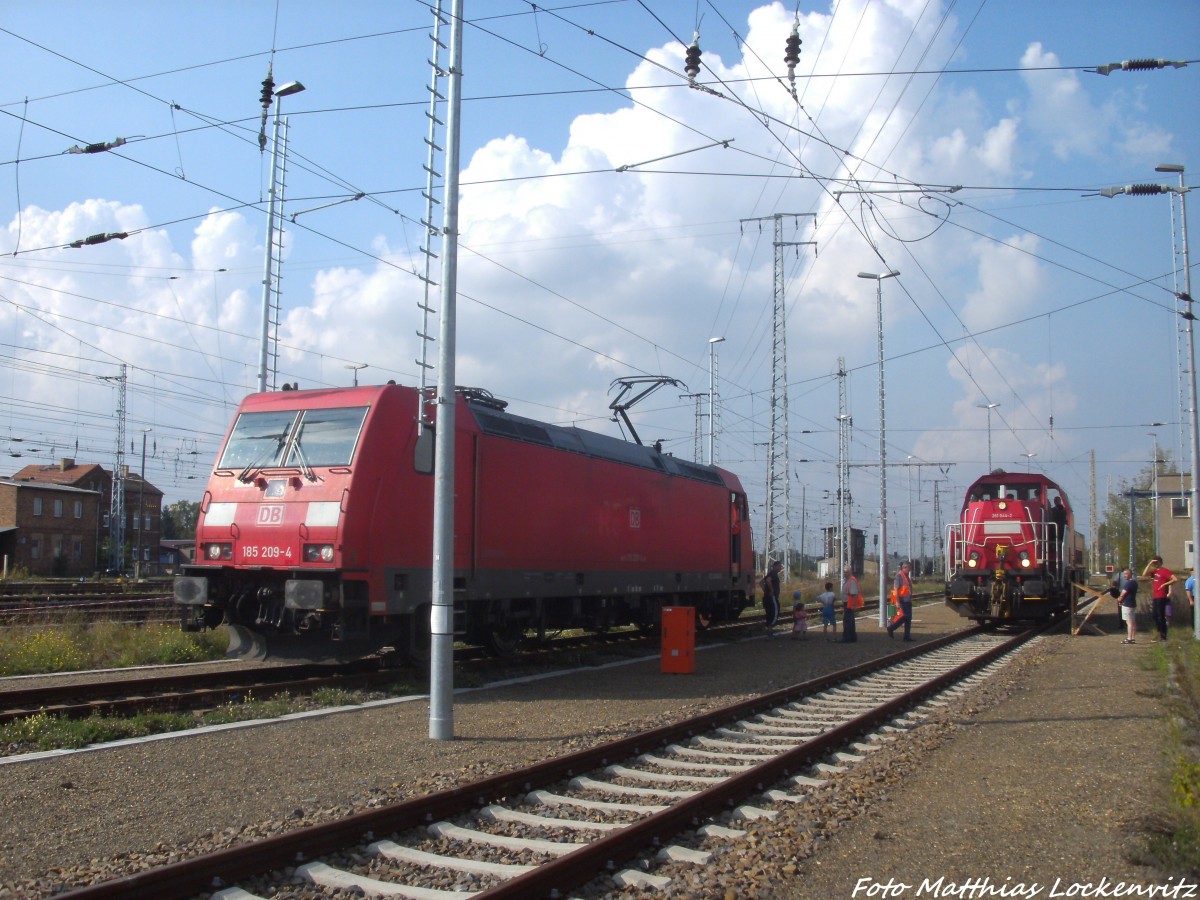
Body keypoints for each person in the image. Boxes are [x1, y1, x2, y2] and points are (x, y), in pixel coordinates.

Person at [1142, 555, 1177, 643]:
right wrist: (1150, 564)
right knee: (1155, 615)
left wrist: (1165, 584)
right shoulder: (1155, 572)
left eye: (1156, 562)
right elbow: (1144, 574)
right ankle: (1159, 633)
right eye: (1154, 563)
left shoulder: (1164, 571)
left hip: (1161, 596)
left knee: (1160, 616)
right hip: (1155, 596)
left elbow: (1175, 579)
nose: (1155, 564)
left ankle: (1163, 636)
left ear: (1160, 562)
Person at [887, 560, 914, 641]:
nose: (910, 570)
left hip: (907, 600)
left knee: (908, 619)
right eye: (909, 568)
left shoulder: (906, 576)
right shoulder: (899, 576)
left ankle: (907, 637)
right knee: (905, 617)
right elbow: (896, 590)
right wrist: (898, 602)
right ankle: (892, 628)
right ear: (905, 568)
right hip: (902, 601)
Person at [1117, 567, 1138, 644]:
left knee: (1129, 622)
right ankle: (1133, 638)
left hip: (1127, 604)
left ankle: (1129, 638)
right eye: (1124, 574)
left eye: (1126, 574)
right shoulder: (1135, 583)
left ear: (1130, 574)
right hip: (1132, 603)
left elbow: (1123, 593)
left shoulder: (1129, 583)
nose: (1124, 576)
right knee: (1133, 621)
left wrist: (1119, 599)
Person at [761, 560, 782, 638]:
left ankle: (769, 631)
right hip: (772, 598)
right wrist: (771, 591)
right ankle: (770, 632)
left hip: (767, 597)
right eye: (779, 566)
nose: (780, 568)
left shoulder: (770, 573)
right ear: (775, 566)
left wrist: (766, 591)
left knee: (769, 613)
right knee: (775, 612)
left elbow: (761, 583)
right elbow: (768, 580)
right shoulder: (773, 574)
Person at [841, 566, 861, 642]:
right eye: (844, 572)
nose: (844, 573)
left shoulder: (851, 581)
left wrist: (853, 605)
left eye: (846, 572)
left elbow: (854, 594)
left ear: (850, 572)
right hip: (847, 604)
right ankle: (852, 637)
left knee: (847, 621)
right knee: (850, 621)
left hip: (849, 604)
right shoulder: (847, 580)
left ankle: (847, 637)